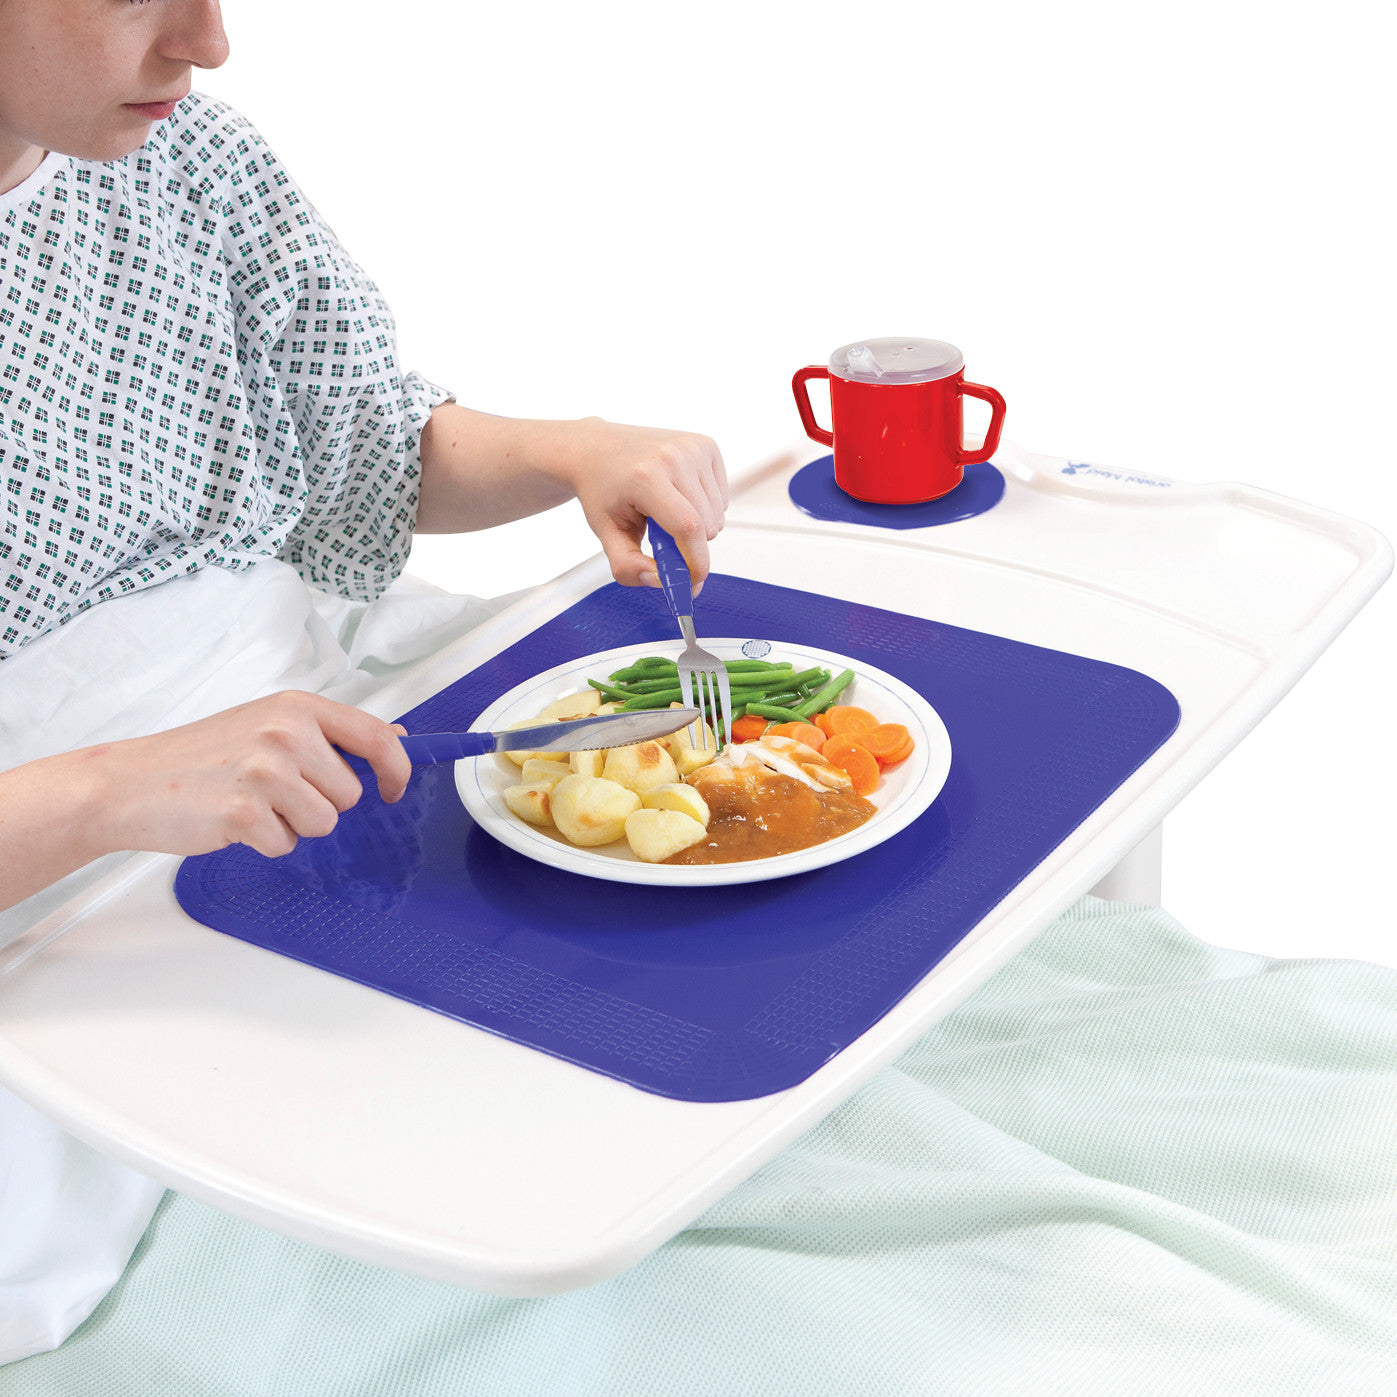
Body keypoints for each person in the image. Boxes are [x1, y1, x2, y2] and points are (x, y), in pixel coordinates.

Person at [0, 0, 728, 916]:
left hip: (320, 713)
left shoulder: (187, 157)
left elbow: (364, 448)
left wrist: (571, 450)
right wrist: (107, 792)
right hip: (57, 872)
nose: (210, 44)